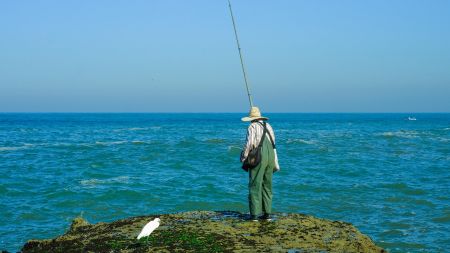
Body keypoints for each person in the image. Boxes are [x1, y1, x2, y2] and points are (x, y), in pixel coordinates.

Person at [240, 107, 280, 221]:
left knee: (255, 184)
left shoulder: (252, 126)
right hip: (270, 156)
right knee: (267, 185)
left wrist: (243, 158)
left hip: (259, 156)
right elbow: (273, 144)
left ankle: (254, 215)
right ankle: (267, 214)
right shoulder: (268, 126)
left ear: (252, 118)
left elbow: (249, 144)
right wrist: (276, 162)